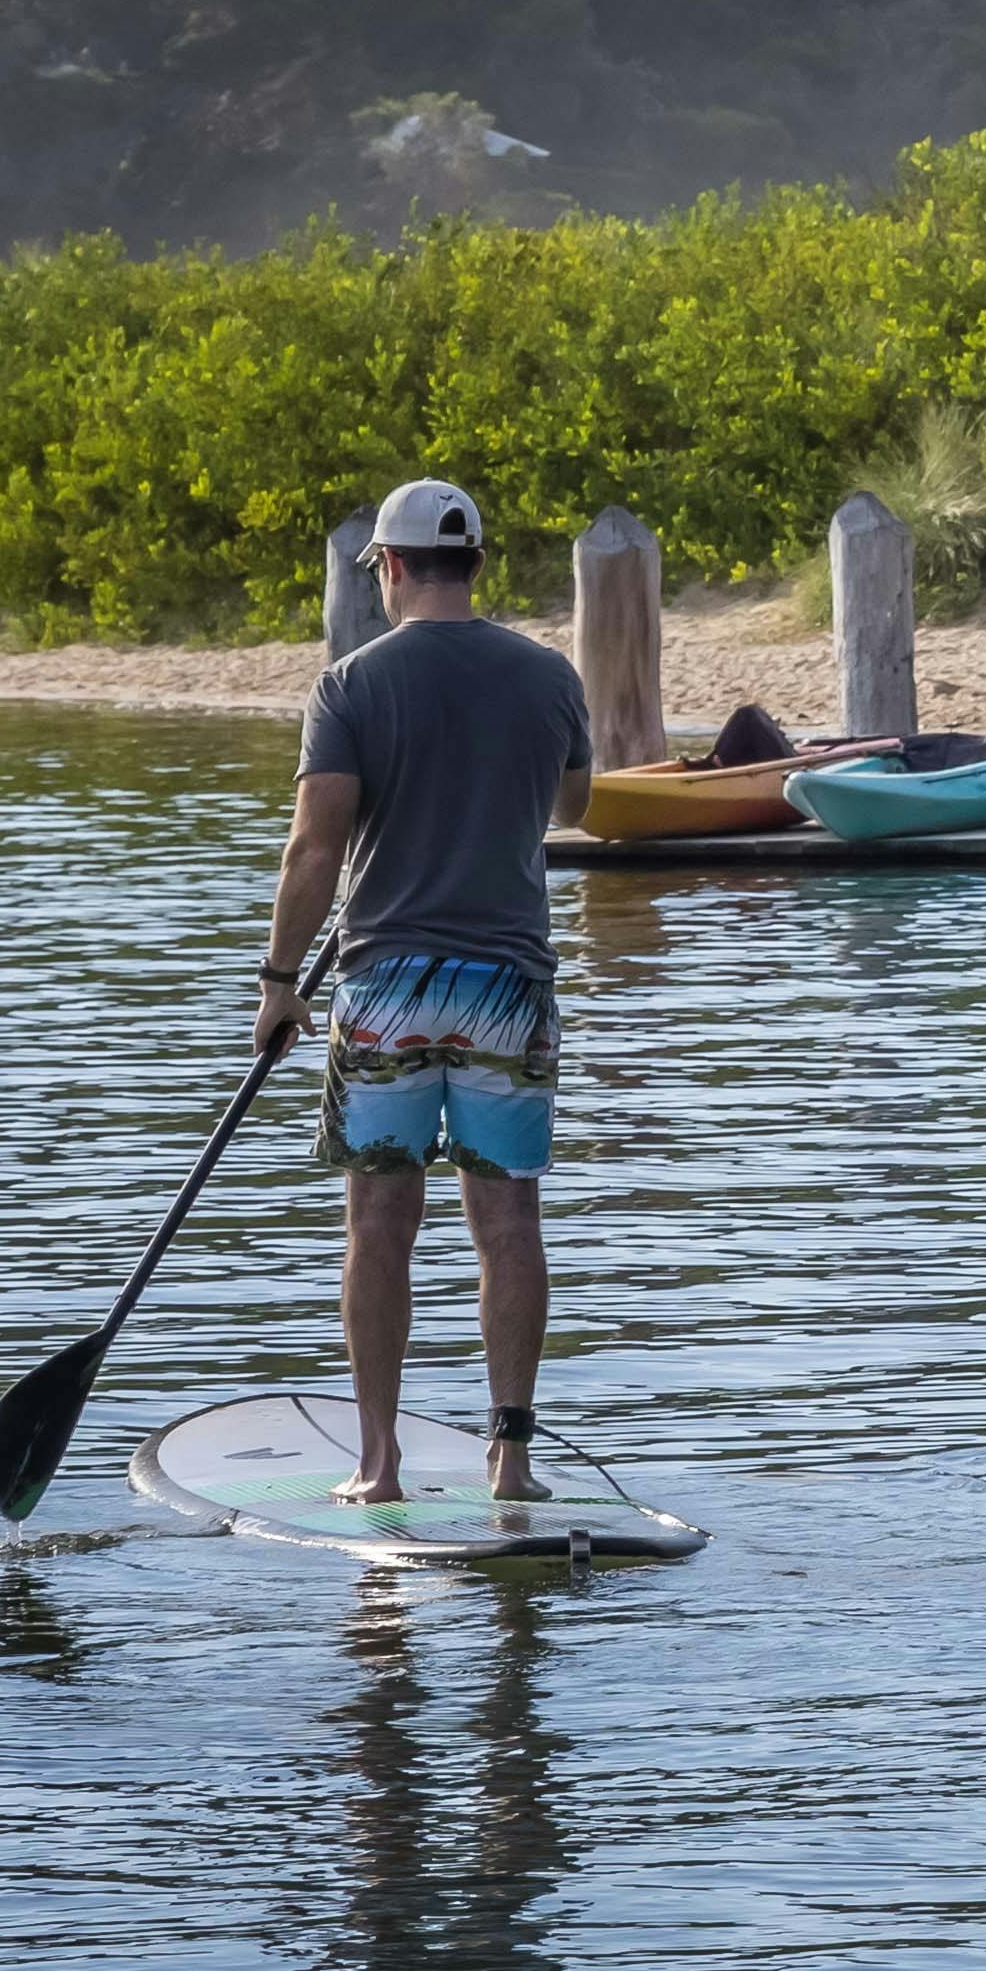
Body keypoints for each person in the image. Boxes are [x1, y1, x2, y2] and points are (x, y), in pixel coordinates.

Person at [253, 476, 597, 1504]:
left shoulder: (349, 686)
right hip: (507, 987)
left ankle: (378, 1462)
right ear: (477, 565)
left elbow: (315, 849)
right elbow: (572, 807)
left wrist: (278, 981)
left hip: (386, 987)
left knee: (377, 1226)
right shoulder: (550, 676)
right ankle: (513, 1456)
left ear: (391, 568)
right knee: (507, 1225)